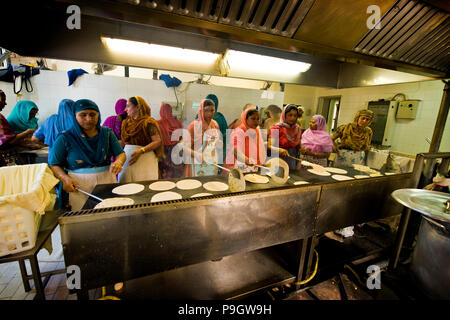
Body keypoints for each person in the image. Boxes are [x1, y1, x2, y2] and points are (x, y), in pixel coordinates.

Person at [48, 99, 126, 211]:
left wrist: (118, 162)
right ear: (75, 116)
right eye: (83, 115)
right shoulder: (65, 138)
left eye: (92, 114)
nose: (88, 119)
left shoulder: (107, 133)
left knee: (109, 213)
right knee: (84, 217)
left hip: (106, 180)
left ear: (98, 115)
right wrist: (63, 178)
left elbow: (120, 153)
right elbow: (54, 164)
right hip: (79, 186)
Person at [119, 96, 164, 183]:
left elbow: (157, 141)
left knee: (144, 186)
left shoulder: (148, 122)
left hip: (145, 159)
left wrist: (141, 151)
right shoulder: (126, 123)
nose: (125, 109)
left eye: (128, 106)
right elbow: (125, 142)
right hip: (128, 160)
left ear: (138, 107)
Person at [184, 98, 222, 177]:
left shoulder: (215, 124)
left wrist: (219, 143)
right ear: (201, 111)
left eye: (212, 110)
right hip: (197, 163)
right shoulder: (193, 126)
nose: (209, 114)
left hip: (211, 162)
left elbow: (216, 143)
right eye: (206, 110)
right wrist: (196, 154)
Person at [226, 105, 266, 173]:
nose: (256, 122)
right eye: (253, 119)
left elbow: (259, 145)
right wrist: (246, 160)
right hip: (239, 166)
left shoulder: (256, 130)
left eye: (258, 119)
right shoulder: (238, 131)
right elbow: (236, 150)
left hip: (252, 167)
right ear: (246, 119)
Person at [0, 90, 35, 166]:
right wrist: (27, 132)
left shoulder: (2, 117)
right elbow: (8, 142)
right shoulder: (2, 119)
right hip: (6, 158)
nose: (5, 103)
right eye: (3, 100)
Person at [268, 104, 301, 170]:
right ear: (284, 115)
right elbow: (269, 146)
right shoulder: (276, 128)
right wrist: (279, 150)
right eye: (290, 115)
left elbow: (298, 145)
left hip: (292, 159)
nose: (293, 118)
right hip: (278, 158)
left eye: (295, 115)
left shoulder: (297, 129)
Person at [157, 103, 184, 179]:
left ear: (161, 112)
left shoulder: (157, 123)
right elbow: (181, 137)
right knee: (177, 175)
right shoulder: (178, 123)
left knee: (165, 176)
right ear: (171, 111)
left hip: (164, 153)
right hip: (176, 151)